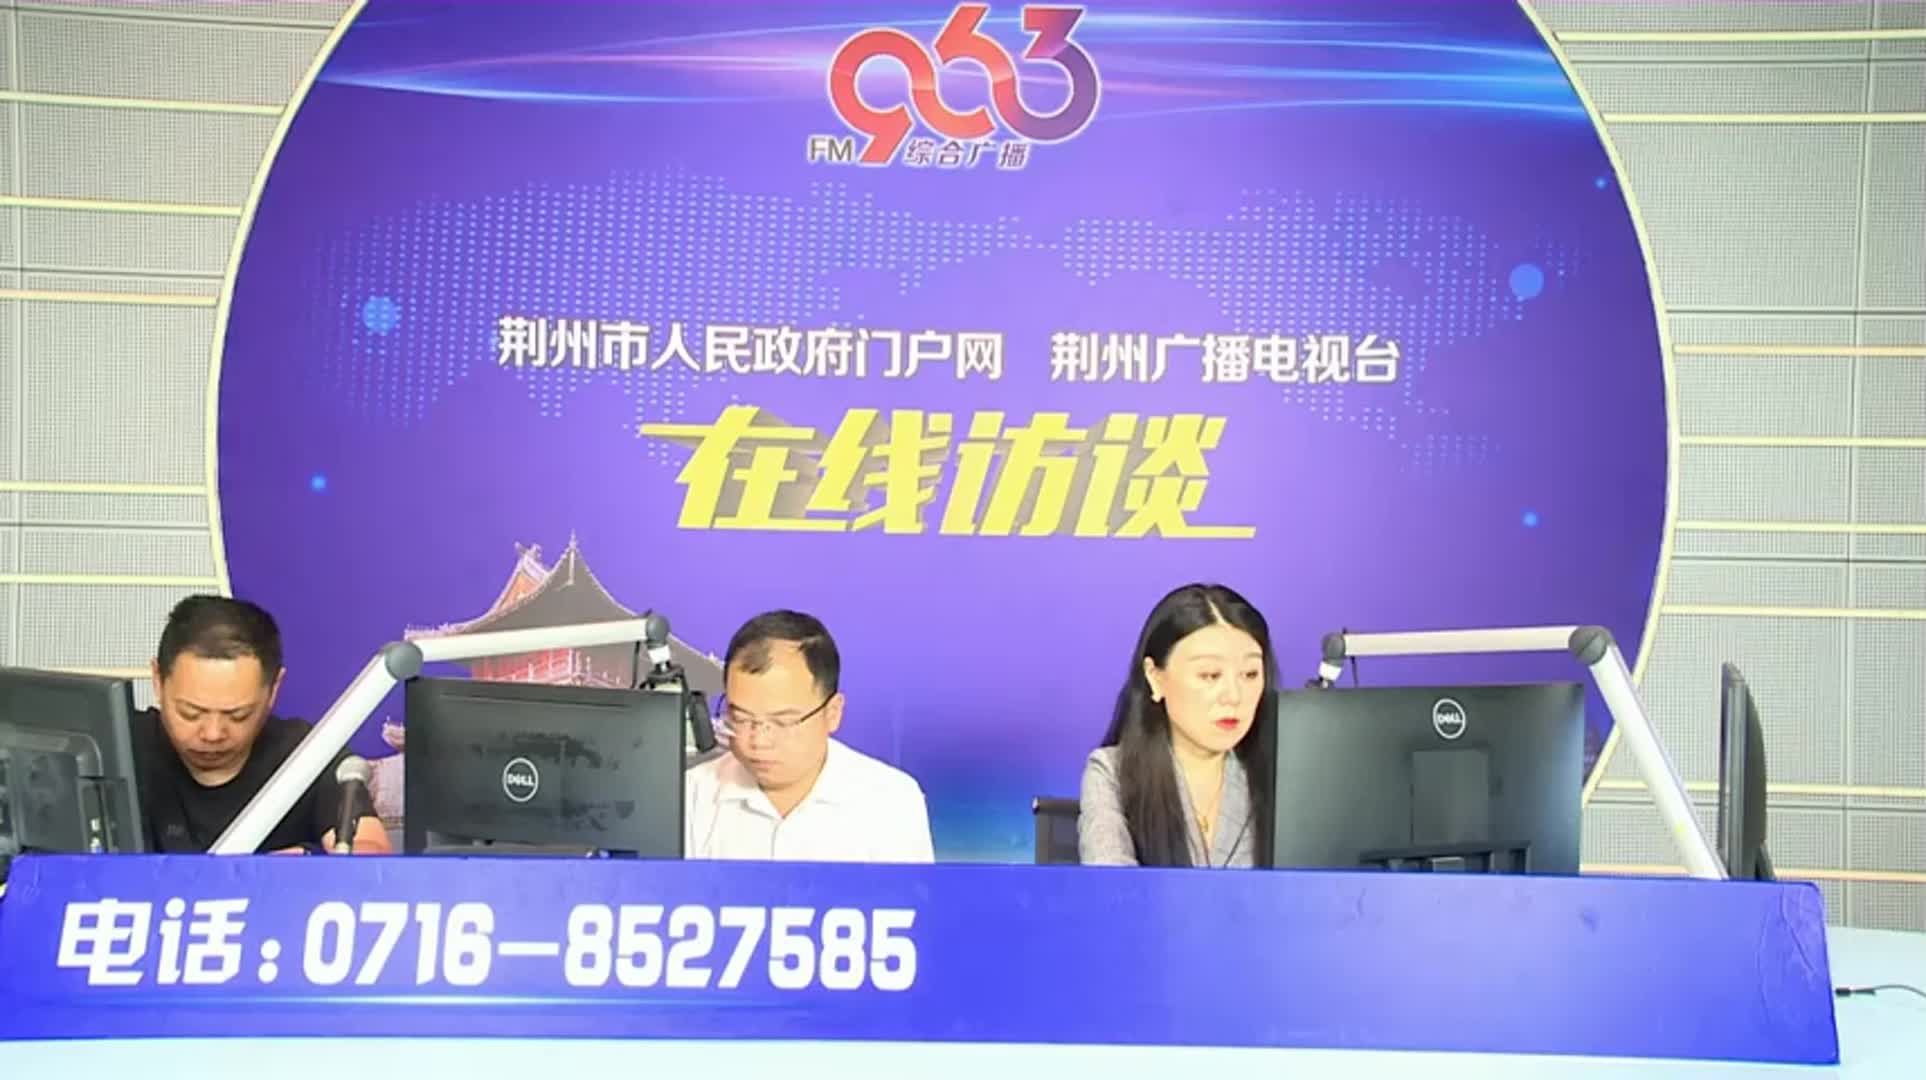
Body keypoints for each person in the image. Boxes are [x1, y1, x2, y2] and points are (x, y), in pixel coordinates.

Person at [139, 594, 390, 855]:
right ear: (157, 680)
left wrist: (301, 867)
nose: (213, 734)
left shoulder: (309, 755)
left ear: (273, 689)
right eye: (190, 713)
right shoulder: (118, 749)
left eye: (238, 715)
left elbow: (370, 851)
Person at [684, 610, 933, 862]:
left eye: (782, 722)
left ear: (832, 713)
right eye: (741, 718)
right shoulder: (691, 797)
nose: (759, 741)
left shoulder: (890, 801)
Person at [1078, 583, 1276, 867]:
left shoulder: (1280, 776)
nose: (1234, 696)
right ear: (1155, 677)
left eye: (1250, 674)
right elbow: (1113, 888)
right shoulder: (1112, 773)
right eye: (1210, 675)